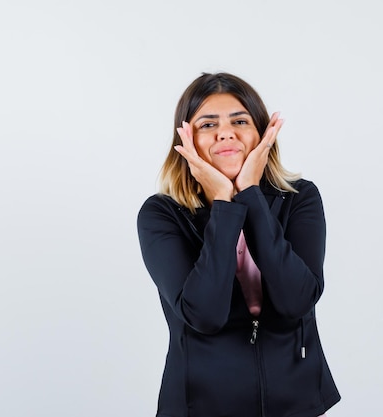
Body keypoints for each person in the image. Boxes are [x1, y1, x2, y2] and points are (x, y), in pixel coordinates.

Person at [137, 72, 341, 417]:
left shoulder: (301, 198)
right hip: (199, 407)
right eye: (207, 124)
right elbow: (203, 315)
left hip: (297, 403)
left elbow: (297, 300)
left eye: (240, 120)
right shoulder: (161, 214)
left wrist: (250, 194)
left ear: (262, 133)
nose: (225, 132)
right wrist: (225, 207)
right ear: (185, 139)